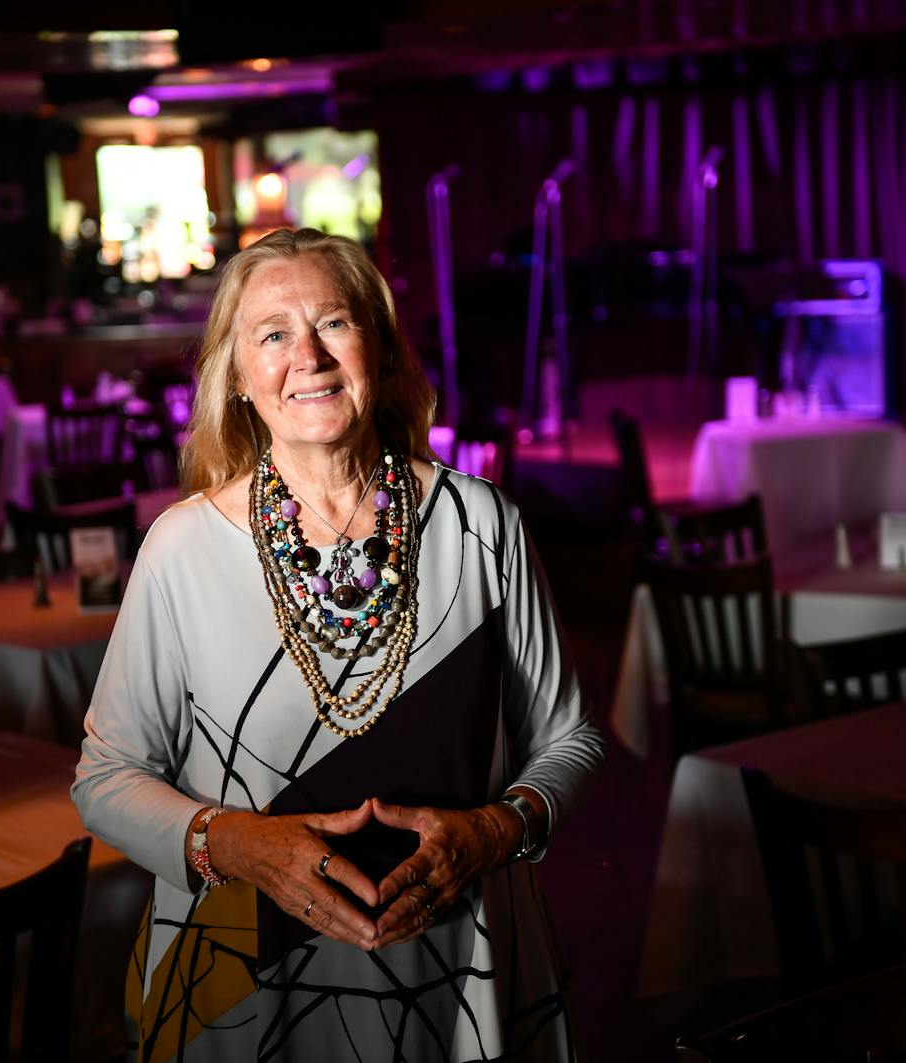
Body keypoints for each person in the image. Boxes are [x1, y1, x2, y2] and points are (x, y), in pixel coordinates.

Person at [73, 228, 603, 1061]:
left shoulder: (480, 524)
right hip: (244, 969)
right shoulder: (180, 547)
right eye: (273, 334)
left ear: (383, 354)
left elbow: (570, 738)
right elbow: (103, 778)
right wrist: (239, 844)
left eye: (336, 324)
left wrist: (493, 832)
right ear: (239, 377)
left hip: (459, 962)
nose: (308, 356)